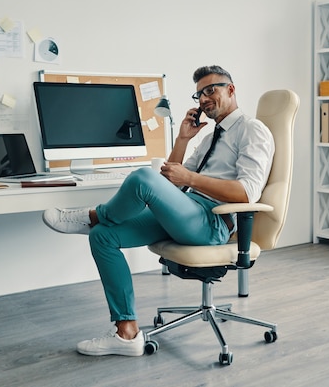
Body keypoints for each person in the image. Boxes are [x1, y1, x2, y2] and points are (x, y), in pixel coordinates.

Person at [42, 65, 275, 357]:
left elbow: (247, 192)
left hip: (211, 221)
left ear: (230, 89)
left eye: (210, 89)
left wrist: (190, 179)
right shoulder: (208, 137)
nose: (203, 99)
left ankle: (93, 215)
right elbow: (170, 183)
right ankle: (126, 333)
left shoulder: (253, 130)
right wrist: (182, 140)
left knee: (141, 177)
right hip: (186, 211)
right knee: (102, 237)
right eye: (199, 93)